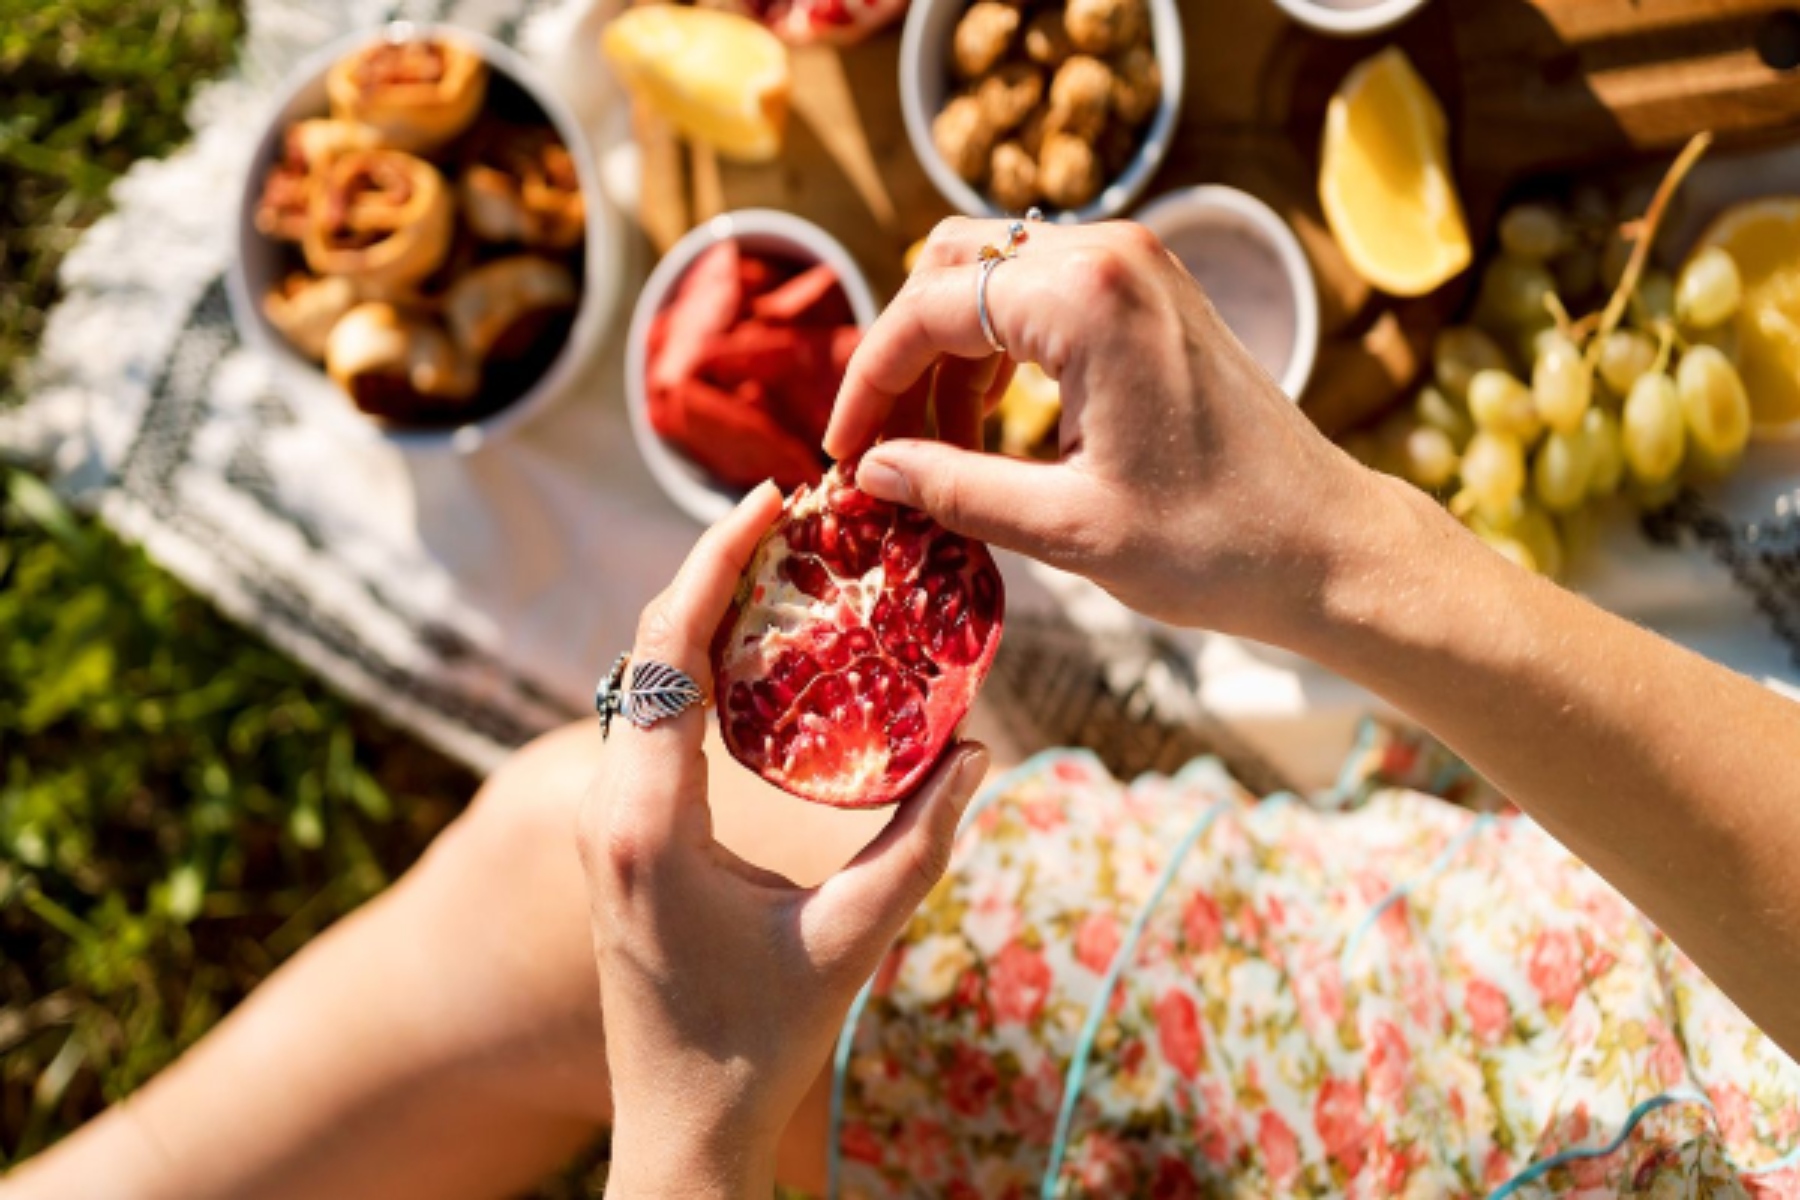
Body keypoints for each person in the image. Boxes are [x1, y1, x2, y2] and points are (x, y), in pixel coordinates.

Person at [8, 218, 1800, 1199]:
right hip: (1438, 995)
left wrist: (696, 1130)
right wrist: (1344, 556)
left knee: (580, 891)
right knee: (538, 897)